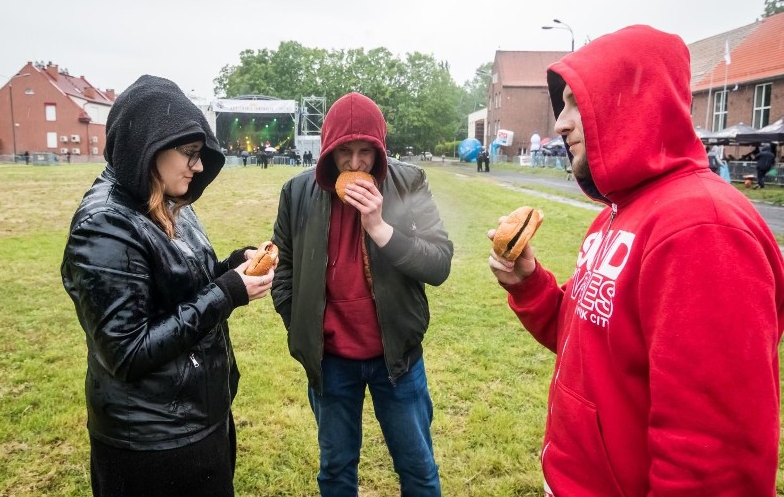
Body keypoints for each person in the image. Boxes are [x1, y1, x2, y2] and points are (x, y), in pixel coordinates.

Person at [487, 26, 784, 496]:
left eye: (575, 103)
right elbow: (588, 344)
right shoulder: (616, 213)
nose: (560, 123)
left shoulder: (702, 229)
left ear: (630, 100)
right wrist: (529, 286)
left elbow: (714, 461)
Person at [61, 75, 273, 497]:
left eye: (200, 155)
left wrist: (233, 267)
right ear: (150, 146)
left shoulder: (169, 199)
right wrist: (227, 292)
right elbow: (127, 351)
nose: (198, 166)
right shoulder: (105, 225)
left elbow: (184, 283)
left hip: (198, 421)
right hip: (151, 445)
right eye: (190, 154)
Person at [271, 92, 453, 496]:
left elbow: (439, 264)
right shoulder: (298, 193)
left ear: (380, 151)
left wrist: (380, 227)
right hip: (331, 360)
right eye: (344, 153)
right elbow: (284, 270)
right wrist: (300, 321)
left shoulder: (408, 184)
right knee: (336, 470)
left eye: (365, 153)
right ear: (327, 153)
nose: (355, 164)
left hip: (397, 359)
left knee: (418, 468)